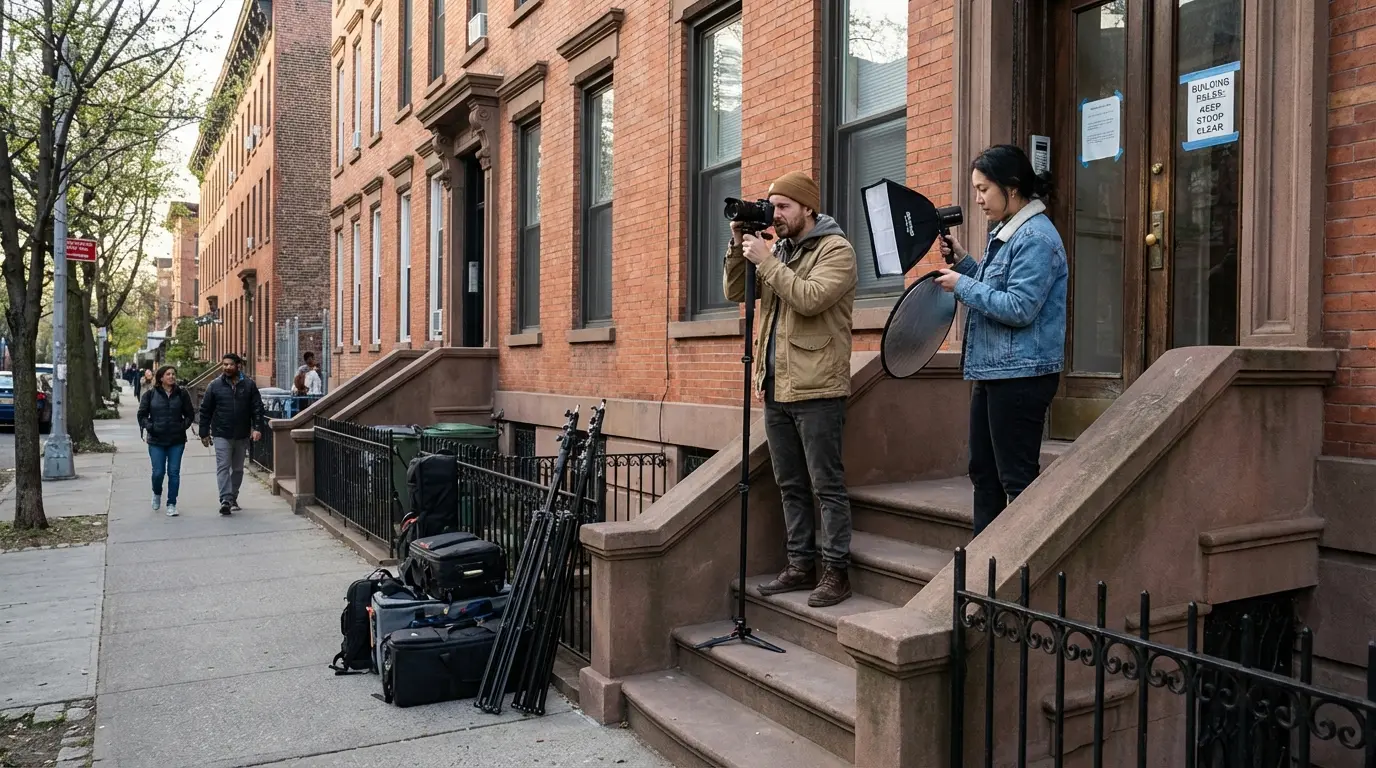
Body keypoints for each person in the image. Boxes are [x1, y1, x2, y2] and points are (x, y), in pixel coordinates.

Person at [722, 170, 858, 608]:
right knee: (790, 484)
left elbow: (810, 297)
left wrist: (768, 261)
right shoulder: (777, 249)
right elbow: (735, 291)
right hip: (778, 386)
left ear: (808, 209)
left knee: (826, 485)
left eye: (784, 207)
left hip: (818, 388)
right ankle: (800, 565)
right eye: (772, 205)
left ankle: (836, 571)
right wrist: (738, 243)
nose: (775, 214)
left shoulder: (837, 250)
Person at [935, 144, 1068, 536]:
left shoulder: (1036, 238)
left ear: (1011, 189)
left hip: (1022, 377)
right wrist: (965, 263)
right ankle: (981, 573)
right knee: (983, 473)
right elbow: (999, 288)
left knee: (1016, 480)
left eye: (983, 189)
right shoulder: (1010, 234)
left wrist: (961, 286)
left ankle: (1015, 574)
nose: (976, 200)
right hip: (996, 372)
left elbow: (1019, 307)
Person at [197, 353, 265, 516]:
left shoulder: (248, 385)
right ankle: (225, 499)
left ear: (238, 366)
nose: (227, 367)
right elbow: (205, 410)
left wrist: (257, 428)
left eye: (230, 365)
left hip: (241, 434)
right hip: (221, 433)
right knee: (223, 466)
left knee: (237, 469)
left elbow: (257, 408)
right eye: (224, 364)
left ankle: (233, 496)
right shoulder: (214, 386)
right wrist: (204, 432)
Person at [137, 365, 195, 517]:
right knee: (158, 472)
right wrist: (151, 426)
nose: (171, 376)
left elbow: (190, 414)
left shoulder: (182, 394)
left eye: (173, 374)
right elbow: (142, 415)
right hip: (156, 440)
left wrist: (182, 426)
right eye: (168, 374)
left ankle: (171, 503)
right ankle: (157, 493)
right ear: (161, 377)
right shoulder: (150, 395)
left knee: (174, 472)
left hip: (176, 440)